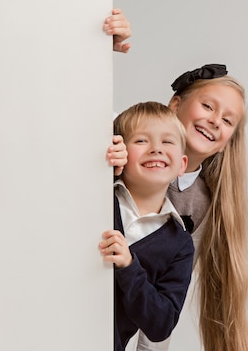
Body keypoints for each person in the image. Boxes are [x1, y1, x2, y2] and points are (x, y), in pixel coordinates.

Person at [104, 57, 248, 351]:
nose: (214, 120)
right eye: (208, 107)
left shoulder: (200, 208)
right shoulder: (123, 136)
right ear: (175, 105)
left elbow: (164, 301)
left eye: (226, 121)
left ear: (227, 142)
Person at [99, 102, 195, 351]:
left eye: (168, 142)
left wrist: (129, 267)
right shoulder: (97, 197)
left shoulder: (179, 243)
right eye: (141, 141)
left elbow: (161, 323)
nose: (156, 149)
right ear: (121, 150)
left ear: (182, 164)